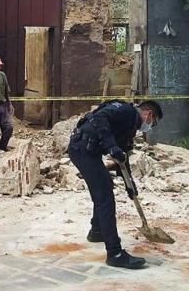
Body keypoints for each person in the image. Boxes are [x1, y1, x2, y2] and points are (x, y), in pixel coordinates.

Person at [67, 100, 163, 269]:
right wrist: (111, 147)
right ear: (148, 114)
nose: (150, 126)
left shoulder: (129, 127)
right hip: (81, 149)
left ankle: (97, 231)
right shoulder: (125, 111)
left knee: (104, 189)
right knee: (105, 198)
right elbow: (99, 118)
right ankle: (115, 254)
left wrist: (129, 185)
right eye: (152, 123)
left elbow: (122, 156)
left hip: (88, 151)